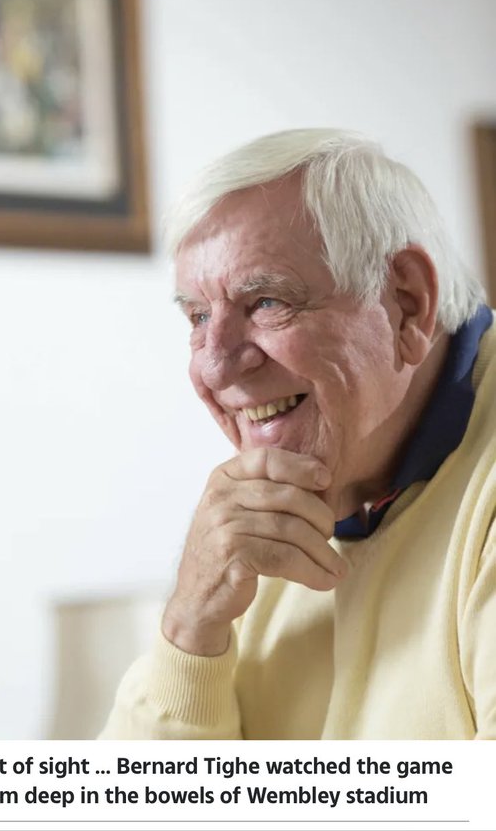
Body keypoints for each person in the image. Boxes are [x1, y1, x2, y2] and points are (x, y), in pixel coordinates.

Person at [100, 130, 496, 739]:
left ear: (407, 303)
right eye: (199, 316)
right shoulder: (262, 518)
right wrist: (189, 630)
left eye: (265, 301)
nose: (213, 364)